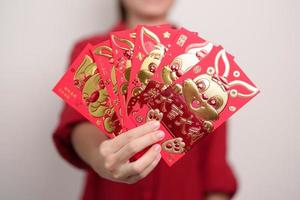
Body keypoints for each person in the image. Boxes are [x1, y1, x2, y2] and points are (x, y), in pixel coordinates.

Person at [53, 0, 238, 199]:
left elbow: (214, 167)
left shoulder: (205, 65)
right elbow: (79, 122)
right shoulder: (92, 49)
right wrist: (99, 156)